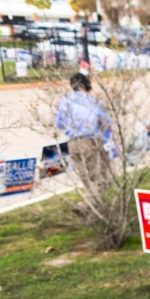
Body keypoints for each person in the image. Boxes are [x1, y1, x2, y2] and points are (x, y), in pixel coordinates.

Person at [55, 73, 112, 210]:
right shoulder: (93, 102)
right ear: (88, 85)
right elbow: (106, 123)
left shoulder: (65, 102)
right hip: (90, 142)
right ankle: (85, 206)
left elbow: (59, 123)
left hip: (73, 143)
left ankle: (93, 213)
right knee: (100, 179)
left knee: (86, 179)